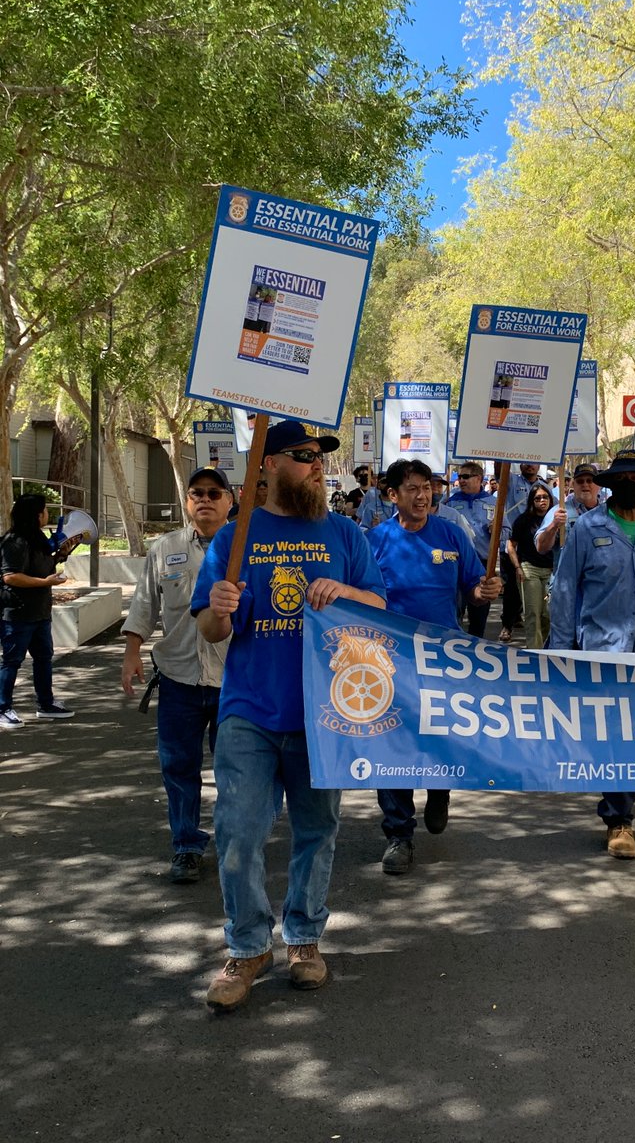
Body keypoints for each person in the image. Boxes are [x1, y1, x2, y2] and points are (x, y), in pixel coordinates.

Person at [193, 420, 386, 1012]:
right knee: (237, 834)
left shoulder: (345, 533)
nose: (316, 464)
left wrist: (344, 592)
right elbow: (210, 627)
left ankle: (304, 940)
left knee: (316, 831)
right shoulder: (235, 536)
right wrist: (220, 611)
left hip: (324, 714)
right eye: (302, 456)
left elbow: (379, 607)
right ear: (268, 465)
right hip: (249, 710)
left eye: (320, 456)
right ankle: (248, 947)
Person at [548, 450, 635, 859]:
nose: (630, 483)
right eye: (621, 476)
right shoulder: (586, 528)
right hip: (603, 650)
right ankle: (619, 818)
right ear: (611, 483)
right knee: (614, 733)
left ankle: (622, 807)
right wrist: (560, 651)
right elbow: (566, 591)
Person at [369, 459, 501, 874]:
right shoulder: (375, 541)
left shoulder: (451, 534)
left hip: (444, 659)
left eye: (427, 487)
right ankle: (398, 835)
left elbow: (474, 590)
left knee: (438, 739)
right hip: (390, 662)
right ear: (393, 495)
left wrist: (484, 590)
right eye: (412, 488)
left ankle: (439, 790)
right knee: (392, 747)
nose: (423, 495)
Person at [122, 467, 234, 883]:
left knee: (235, 771)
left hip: (233, 683)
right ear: (187, 501)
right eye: (196, 494)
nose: (204, 500)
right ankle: (186, 845)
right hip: (178, 681)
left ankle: (235, 845)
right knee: (178, 768)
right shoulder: (165, 548)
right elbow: (144, 605)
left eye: (213, 493)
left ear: (229, 500)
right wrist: (132, 652)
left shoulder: (247, 548)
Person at [0, 493, 73, 727]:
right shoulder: (14, 541)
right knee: (12, 661)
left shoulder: (36, 537)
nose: (47, 514)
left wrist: (62, 554)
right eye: (44, 510)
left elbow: (43, 566)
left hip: (40, 613)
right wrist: (45, 583)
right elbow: (11, 576)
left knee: (43, 659)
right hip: (18, 614)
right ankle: (3, 708)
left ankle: (46, 703)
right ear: (36, 514)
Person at [445, 461, 500, 637]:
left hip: (483, 564)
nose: (461, 480)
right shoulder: (450, 504)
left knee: (479, 615)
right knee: (455, 611)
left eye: (466, 476)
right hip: (456, 563)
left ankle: (477, 651)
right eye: (460, 477)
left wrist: (496, 531)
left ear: (479, 478)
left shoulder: (494, 503)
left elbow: (507, 532)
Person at [506, 482, 554, 648]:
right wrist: (517, 567)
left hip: (551, 572)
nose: (542, 500)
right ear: (532, 501)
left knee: (548, 614)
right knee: (532, 613)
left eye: (545, 497)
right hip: (529, 569)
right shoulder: (523, 520)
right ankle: (535, 653)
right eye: (538, 498)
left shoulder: (556, 518)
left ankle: (547, 650)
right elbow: (510, 545)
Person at [534, 462, 602, 571]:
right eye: (580, 481)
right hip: (568, 584)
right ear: (573, 485)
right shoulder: (559, 511)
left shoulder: (607, 513)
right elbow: (541, 547)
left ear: (598, 485)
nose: (585, 484)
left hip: (598, 583)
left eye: (590, 481)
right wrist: (554, 525)